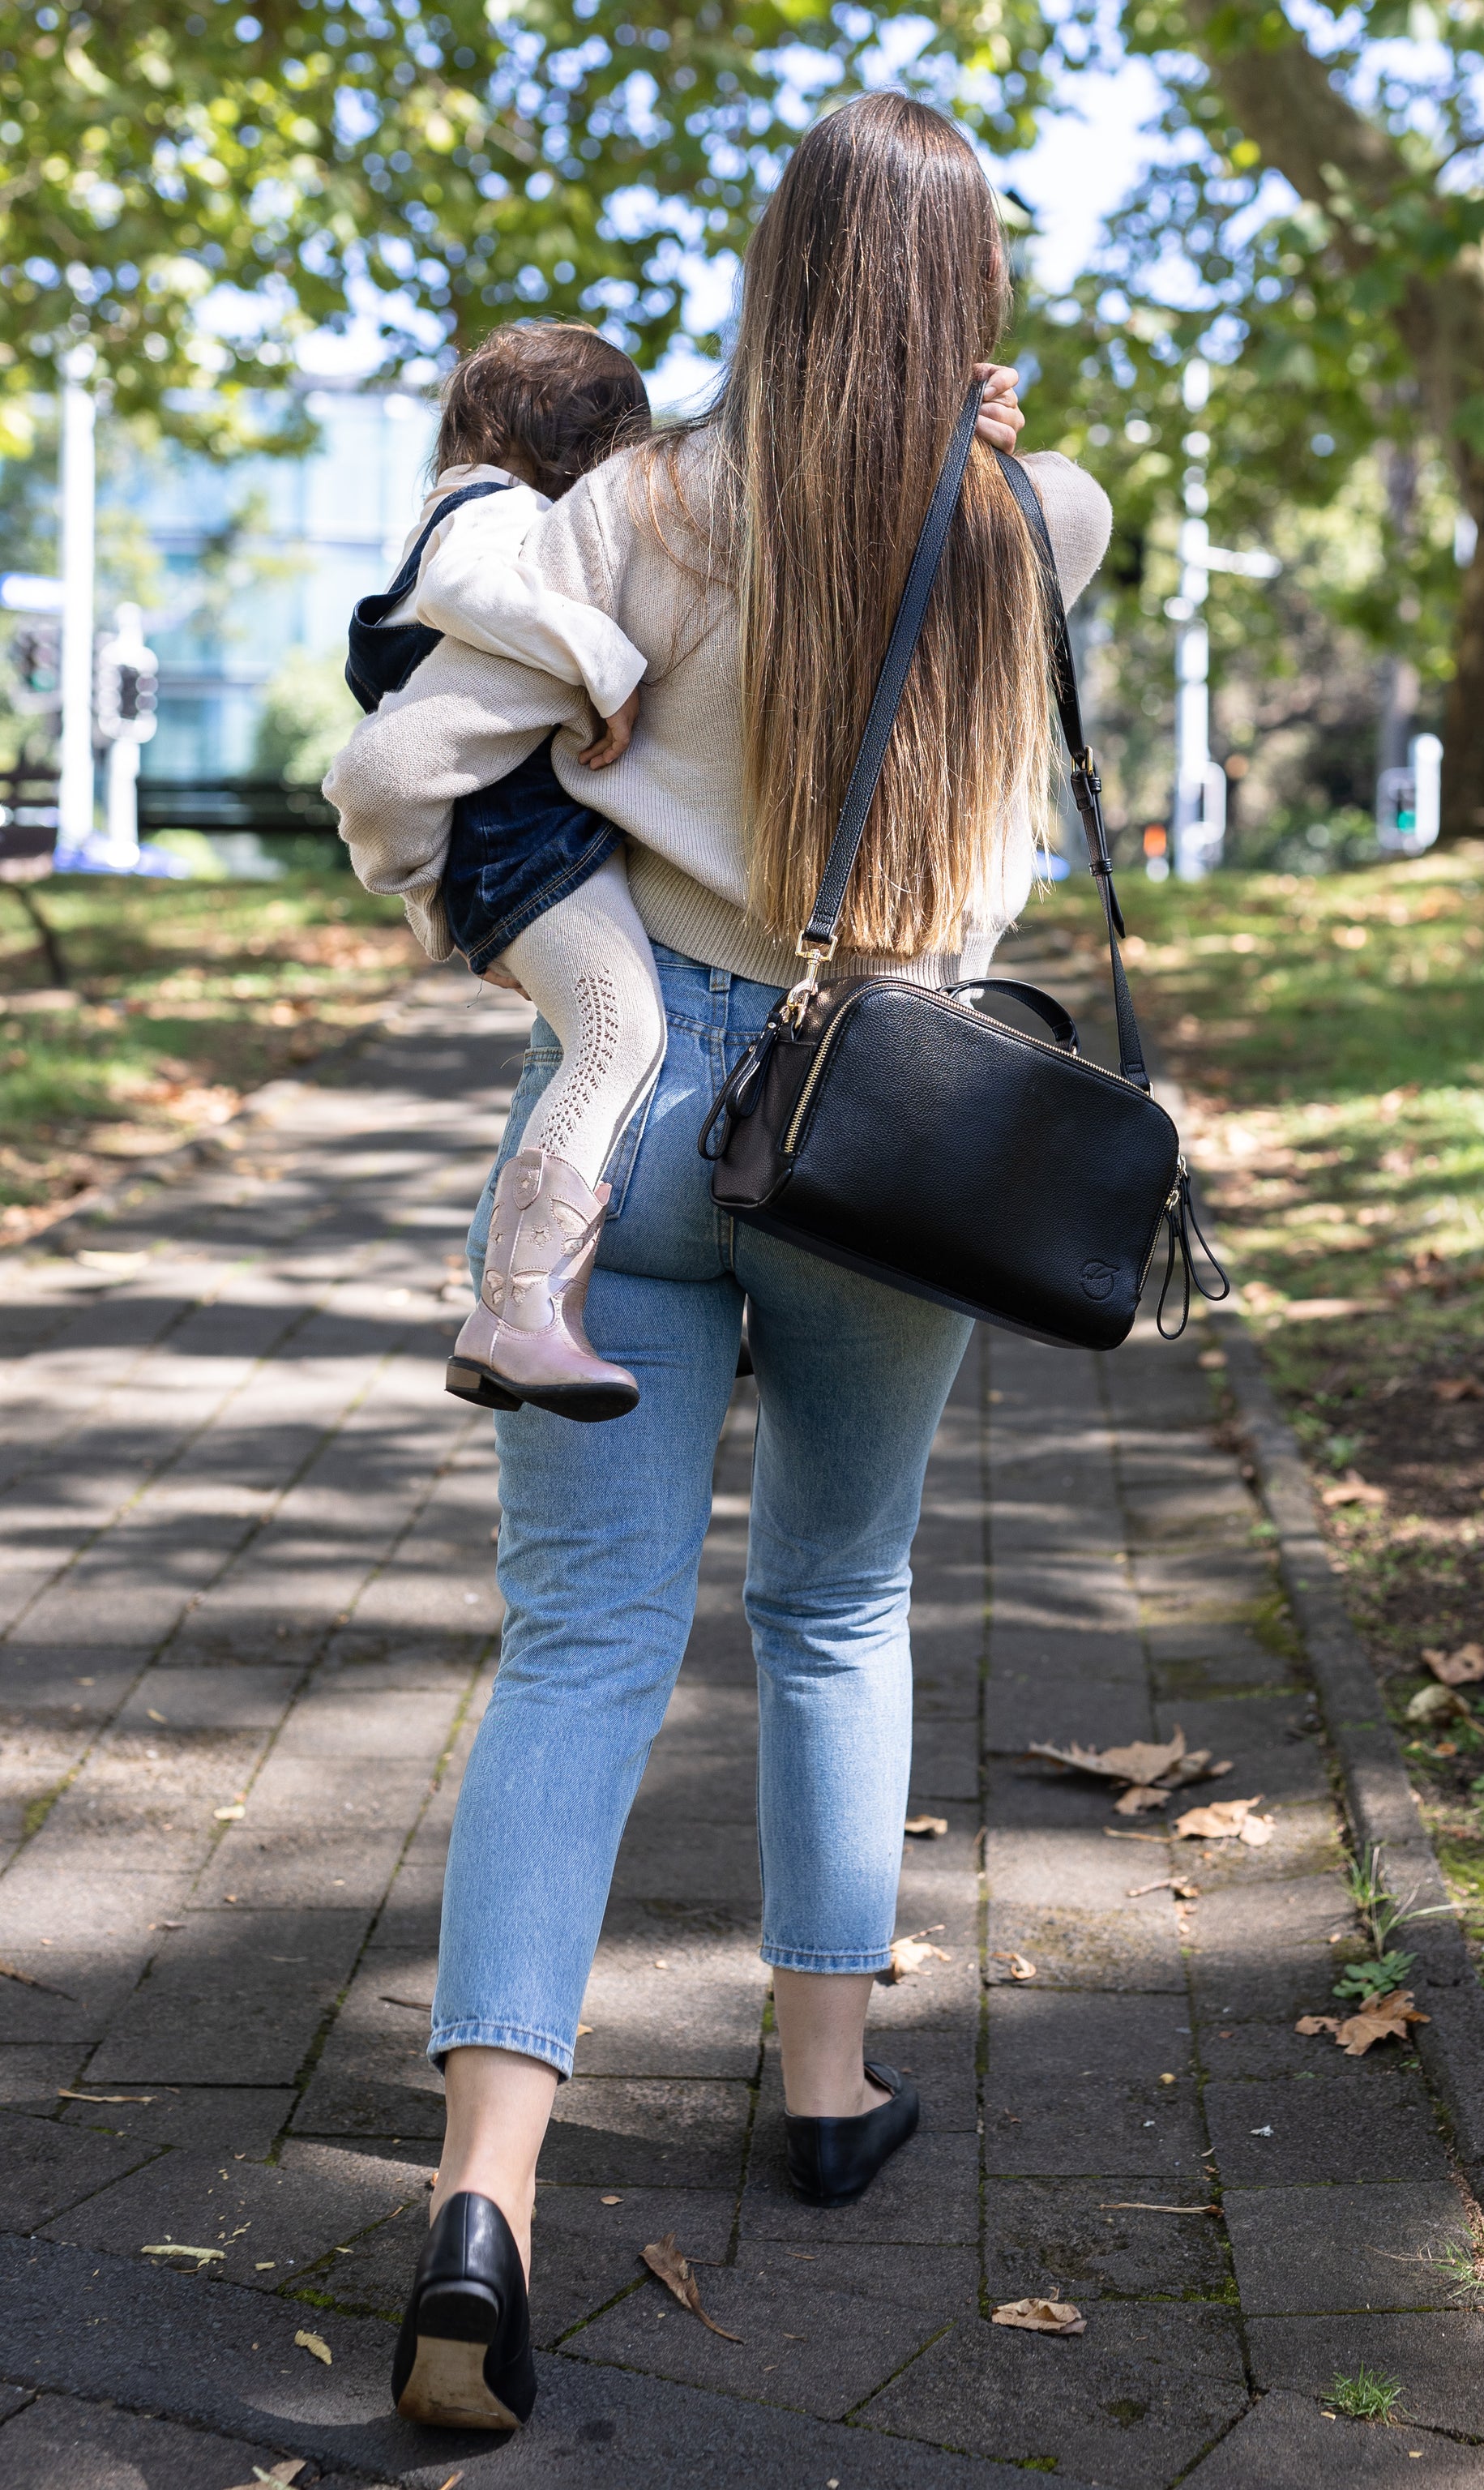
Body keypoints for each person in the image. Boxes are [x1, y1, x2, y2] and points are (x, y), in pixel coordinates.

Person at [323, 89, 1110, 2437]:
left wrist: (583, 742)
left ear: (769, 274)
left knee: (576, 1650)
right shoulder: (1041, 517)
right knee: (838, 1607)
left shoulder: (635, 505)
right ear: (974, 299)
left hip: (640, 1093)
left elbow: (409, 766)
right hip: (897, 1126)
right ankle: (830, 2084)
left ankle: (483, 2204)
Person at [343, 319, 666, 1420]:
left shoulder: (465, 509)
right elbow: (475, 598)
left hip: (515, 850)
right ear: (584, 451)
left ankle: (541, 1305)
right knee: (621, 1032)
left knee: (624, 1034)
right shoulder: (493, 513)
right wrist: (609, 664)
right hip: (529, 846)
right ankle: (521, 1310)